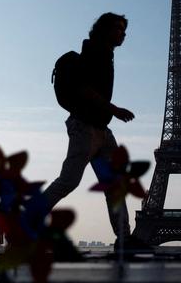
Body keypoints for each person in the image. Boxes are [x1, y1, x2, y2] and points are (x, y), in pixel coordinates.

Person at [43, 13, 146, 251]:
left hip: (101, 130)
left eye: (124, 29)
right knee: (69, 181)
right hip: (85, 128)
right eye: (119, 28)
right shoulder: (95, 54)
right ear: (105, 30)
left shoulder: (103, 54)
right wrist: (115, 109)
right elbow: (83, 89)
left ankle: (124, 236)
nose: (124, 33)